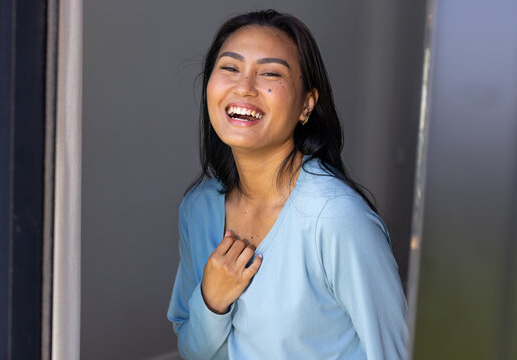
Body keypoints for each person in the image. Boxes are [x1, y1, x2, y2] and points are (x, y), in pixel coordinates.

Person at [167, 9, 408, 360]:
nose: (244, 87)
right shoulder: (198, 208)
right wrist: (212, 300)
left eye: (269, 73)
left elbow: (394, 352)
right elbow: (192, 350)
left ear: (306, 105)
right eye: (230, 68)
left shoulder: (336, 218)